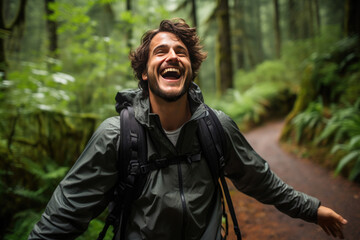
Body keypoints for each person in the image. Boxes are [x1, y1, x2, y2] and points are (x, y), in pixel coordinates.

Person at [29, 18, 347, 240]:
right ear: (143, 73)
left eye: (181, 52)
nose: (172, 56)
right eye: (161, 51)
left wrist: (312, 209)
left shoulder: (215, 126)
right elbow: (66, 212)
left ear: (190, 70)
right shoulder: (116, 136)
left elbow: (260, 180)